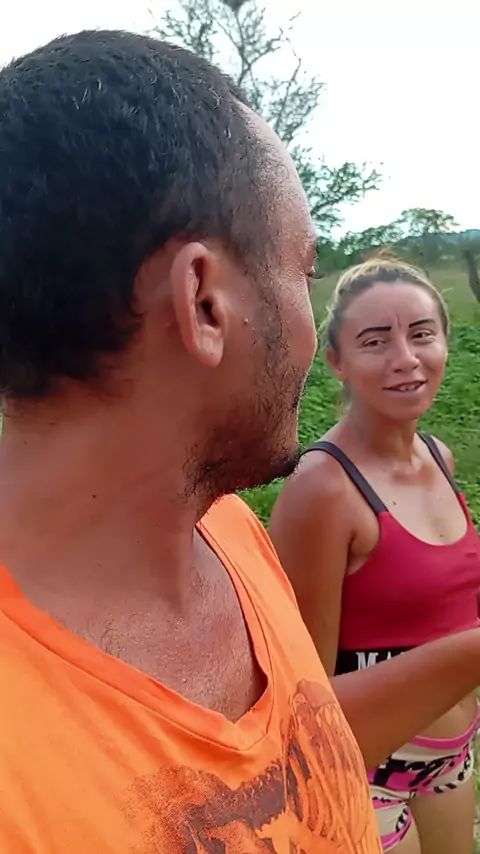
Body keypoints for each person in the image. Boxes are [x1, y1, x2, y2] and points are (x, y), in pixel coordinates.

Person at [1, 29, 480, 854]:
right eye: (302, 270)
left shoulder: (223, 532)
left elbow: (301, 762)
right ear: (205, 303)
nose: (310, 326)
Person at [269, 255, 480, 854]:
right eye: (375, 340)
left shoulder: (438, 456)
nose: (405, 358)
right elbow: (303, 683)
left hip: (451, 760)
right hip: (366, 775)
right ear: (336, 360)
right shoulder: (323, 489)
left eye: (422, 334)